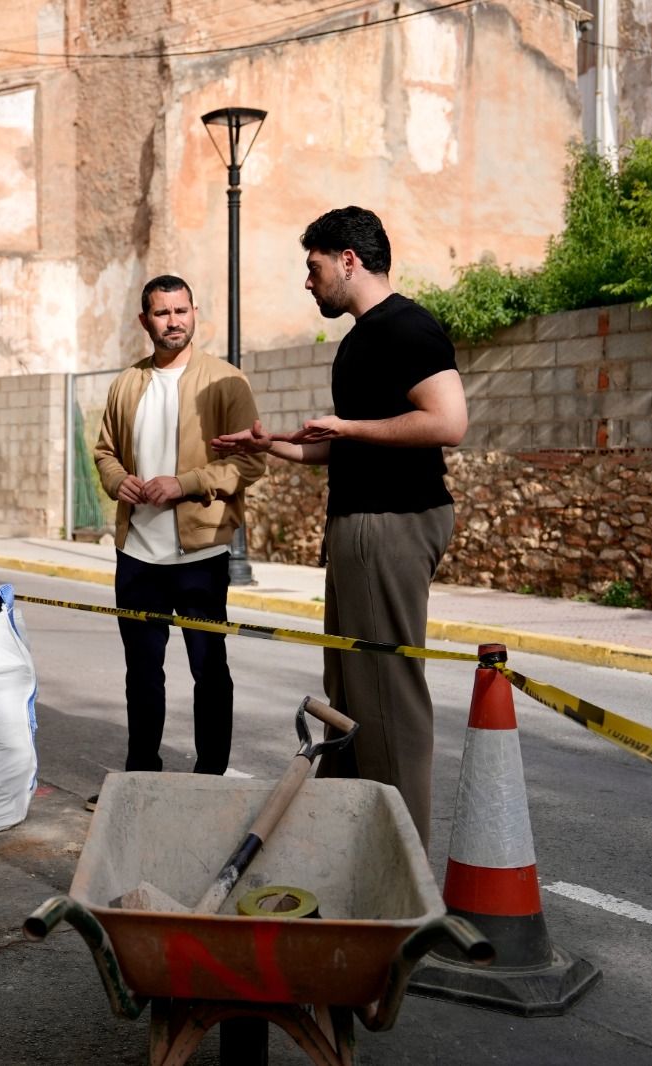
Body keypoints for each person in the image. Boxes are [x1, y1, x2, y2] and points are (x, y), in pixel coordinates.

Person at [211, 206, 467, 848]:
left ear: (348, 260)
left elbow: (448, 422)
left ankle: (397, 858)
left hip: (393, 524)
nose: (308, 280)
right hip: (360, 525)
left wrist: (349, 428)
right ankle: (347, 843)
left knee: (385, 696)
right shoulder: (360, 339)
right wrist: (271, 444)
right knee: (348, 690)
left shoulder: (408, 327)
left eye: (314, 266)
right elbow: (342, 446)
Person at [88, 274, 265, 810]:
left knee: (209, 668)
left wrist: (183, 484)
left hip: (201, 554)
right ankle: (142, 774)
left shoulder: (226, 382)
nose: (174, 322)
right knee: (142, 672)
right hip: (137, 555)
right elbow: (104, 452)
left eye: (182, 311)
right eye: (162, 313)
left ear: (194, 312)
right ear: (145, 321)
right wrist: (121, 482)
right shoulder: (126, 384)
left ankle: (210, 776)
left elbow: (249, 461)